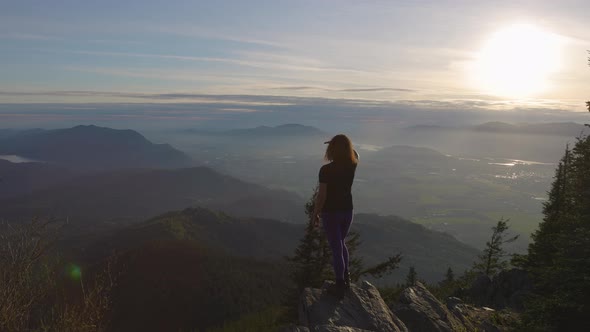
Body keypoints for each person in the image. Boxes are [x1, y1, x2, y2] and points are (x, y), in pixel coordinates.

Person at [313, 134, 359, 297]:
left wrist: (316, 214)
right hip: (348, 211)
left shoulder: (326, 170)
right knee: (341, 243)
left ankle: (340, 284)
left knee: (336, 247)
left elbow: (322, 196)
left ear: (331, 149)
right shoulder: (353, 164)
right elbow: (355, 152)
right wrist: (343, 144)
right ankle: (346, 277)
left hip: (331, 213)